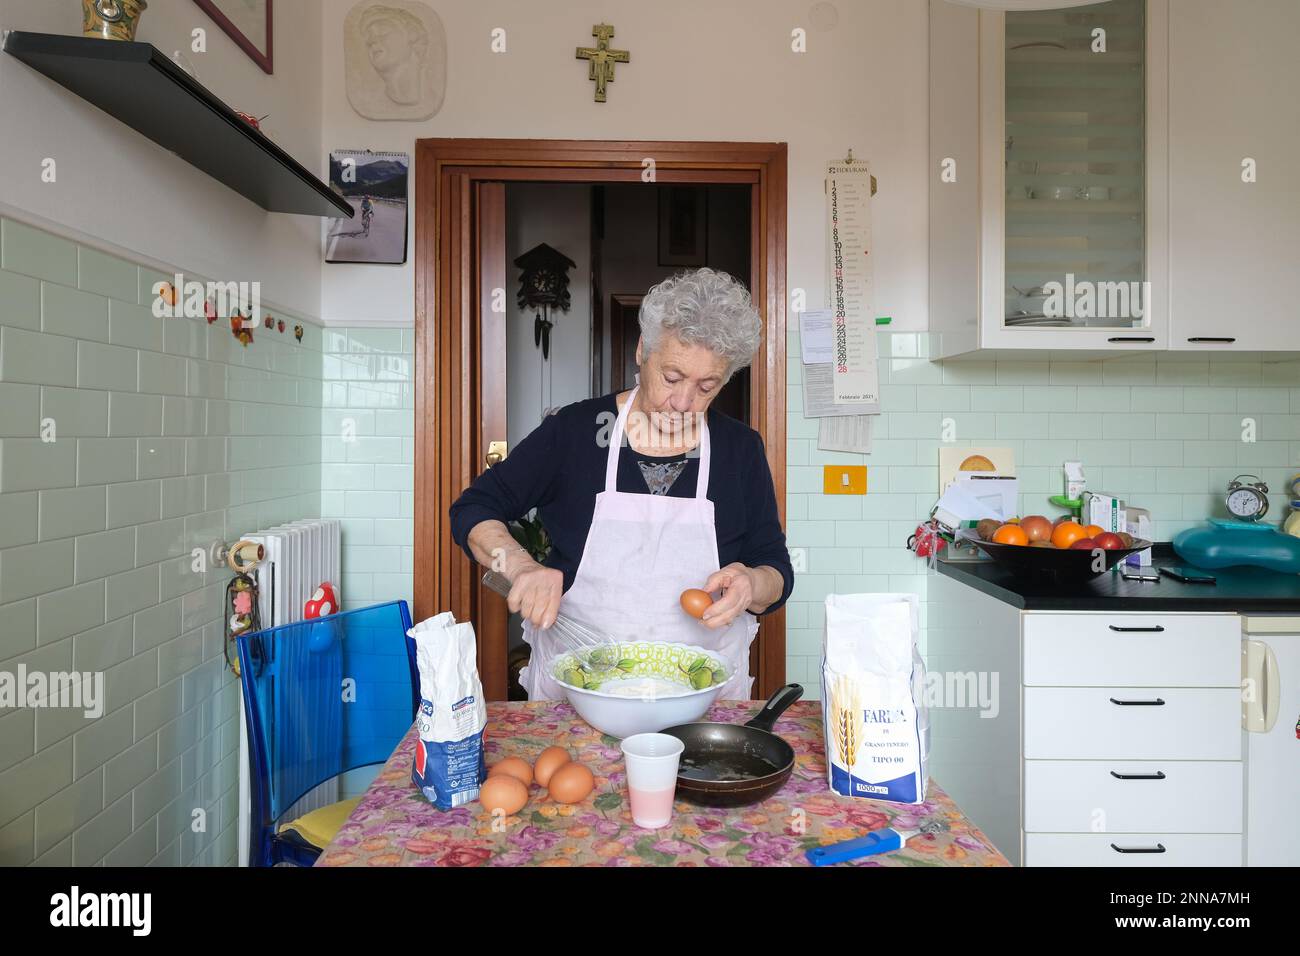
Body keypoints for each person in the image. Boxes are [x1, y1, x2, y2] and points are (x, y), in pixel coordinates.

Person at [450, 268, 793, 700]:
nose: (684, 402)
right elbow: (473, 509)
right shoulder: (574, 432)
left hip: (699, 703)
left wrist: (752, 584)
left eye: (707, 387)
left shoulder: (739, 450)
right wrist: (521, 568)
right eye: (671, 378)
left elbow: (775, 570)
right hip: (578, 693)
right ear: (641, 351)